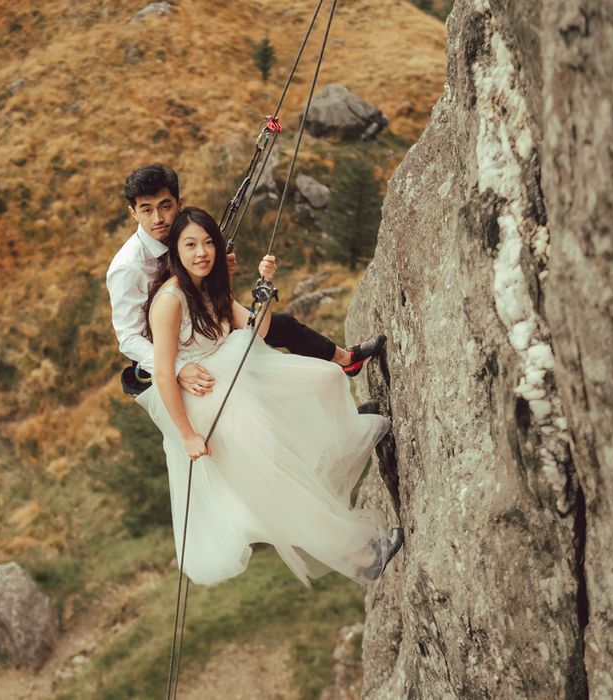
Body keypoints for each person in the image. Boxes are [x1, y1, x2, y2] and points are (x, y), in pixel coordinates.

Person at [137, 206, 403, 586]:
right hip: (210, 403)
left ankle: (345, 435)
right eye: (191, 245)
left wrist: (264, 289)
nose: (202, 253)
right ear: (175, 252)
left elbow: (257, 331)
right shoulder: (171, 301)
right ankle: (360, 556)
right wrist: (187, 434)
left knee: (325, 381)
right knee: (283, 483)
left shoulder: (210, 286)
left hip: (235, 382)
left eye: (208, 243)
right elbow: (163, 372)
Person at [105, 164, 386, 398]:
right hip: (174, 348)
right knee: (262, 381)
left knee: (283, 326)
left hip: (204, 323)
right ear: (133, 213)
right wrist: (177, 368)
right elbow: (129, 337)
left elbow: (196, 282)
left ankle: (345, 361)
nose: (158, 218)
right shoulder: (128, 267)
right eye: (146, 210)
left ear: (179, 204)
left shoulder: (184, 232)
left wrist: (216, 271)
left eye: (165, 206)